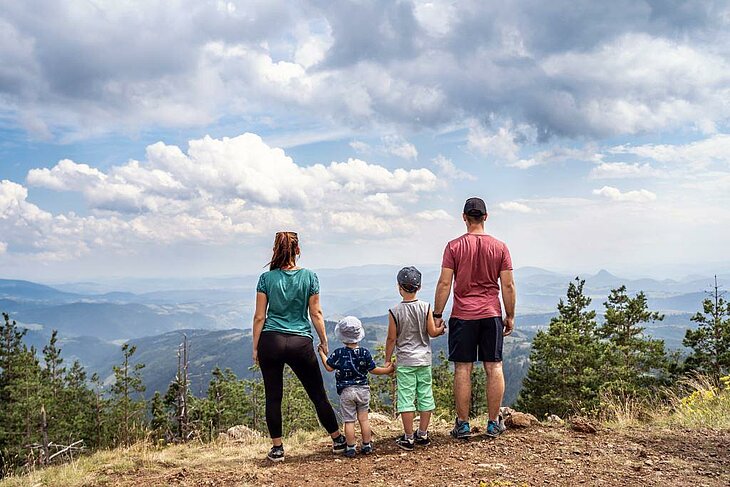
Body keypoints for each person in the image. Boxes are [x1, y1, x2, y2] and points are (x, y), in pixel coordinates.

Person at [252, 231, 346, 462]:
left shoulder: (266, 279)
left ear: (275, 251)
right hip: (300, 342)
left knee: (273, 397)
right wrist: (323, 341)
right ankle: (337, 439)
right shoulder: (310, 277)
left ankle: (277, 448)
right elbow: (316, 312)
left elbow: (259, 317)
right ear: (298, 251)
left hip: (270, 341)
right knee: (317, 395)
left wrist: (256, 347)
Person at [433, 197, 516, 439]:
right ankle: (493, 423)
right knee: (494, 366)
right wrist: (509, 315)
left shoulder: (453, 247)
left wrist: (438, 314)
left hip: (462, 315)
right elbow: (508, 285)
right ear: (486, 217)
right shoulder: (500, 247)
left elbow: (445, 282)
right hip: (491, 314)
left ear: (464, 217)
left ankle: (463, 424)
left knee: (463, 369)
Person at [385, 266, 445, 450]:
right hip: (424, 360)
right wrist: (441, 328)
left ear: (399, 287)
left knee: (406, 398)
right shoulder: (425, 307)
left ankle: (408, 437)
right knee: (425, 396)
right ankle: (423, 434)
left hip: (405, 362)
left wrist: (388, 359)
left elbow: (391, 338)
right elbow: (432, 332)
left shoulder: (395, 311)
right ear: (419, 287)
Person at [318, 316, 393, 458]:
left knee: (349, 421)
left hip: (346, 392)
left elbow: (328, 367)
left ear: (341, 336)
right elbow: (374, 370)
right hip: (363, 390)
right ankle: (366, 445)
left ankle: (351, 447)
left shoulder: (339, 353)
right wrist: (388, 370)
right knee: (364, 419)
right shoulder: (364, 353)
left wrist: (322, 353)